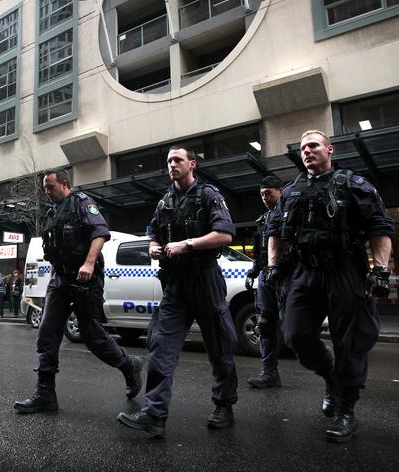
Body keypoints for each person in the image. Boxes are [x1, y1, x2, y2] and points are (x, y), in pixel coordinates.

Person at [267, 130, 393, 443]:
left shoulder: (353, 184)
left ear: (329, 150)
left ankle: (346, 410)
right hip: (304, 272)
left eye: (313, 145)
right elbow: (275, 231)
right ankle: (331, 378)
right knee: (295, 335)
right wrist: (272, 266)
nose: (307, 151)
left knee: (350, 341)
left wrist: (380, 272)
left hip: (344, 270)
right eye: (303, 147)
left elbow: (379, 227)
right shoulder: (291, 190)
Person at [117, 146, 238, 438]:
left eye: (177, 160)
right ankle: (154, 415)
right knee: (160, 345)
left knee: (220, 346)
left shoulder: (209, 195)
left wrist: (188, 244)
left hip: (205, 280)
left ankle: (224, 404)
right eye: (169, 161)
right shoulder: (165, 202)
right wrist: (153, 248)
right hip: (175, 285)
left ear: (191, 164)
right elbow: (153, 235)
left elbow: (225, 234)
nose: (172, 164)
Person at [13, 169, 142, 414]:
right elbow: (54, 248)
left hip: (85, 279)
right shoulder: (51, 214)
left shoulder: (82, 203)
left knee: (91, 335)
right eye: (44, 188)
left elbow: (100, 233)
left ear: (64, 184)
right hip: (60, 279)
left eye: (49, 187)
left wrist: (89, 263)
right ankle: (45, 395)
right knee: (47, 333)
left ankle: (129, 365)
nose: (46, 192)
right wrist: (53, 275)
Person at [246, 176, 285, 388]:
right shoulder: (264, 219)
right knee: (265, 324)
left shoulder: (291, 212)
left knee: (297, 328)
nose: (264, 197)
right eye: (261, 194)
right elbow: (260, 251)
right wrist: (253, 271)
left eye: (268, 193)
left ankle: (330, 376)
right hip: (265, 277)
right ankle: (270, 372)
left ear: (280, 191)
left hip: (287, 276)